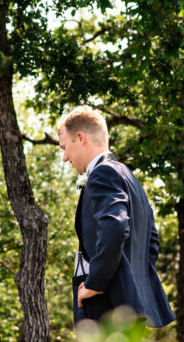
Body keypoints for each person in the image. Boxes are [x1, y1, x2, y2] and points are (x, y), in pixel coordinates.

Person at [57, 106, 174, 329]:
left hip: (105, 306)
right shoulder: (128, 176)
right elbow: (152, 241)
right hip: (128, 306)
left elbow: (115, 227)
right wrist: (131, 283)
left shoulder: (103, 173)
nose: (64, 157)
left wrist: (97, 282)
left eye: (65, 147)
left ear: (80, 138)